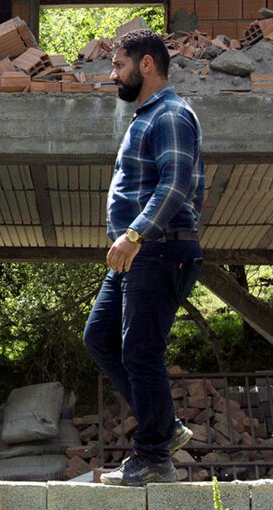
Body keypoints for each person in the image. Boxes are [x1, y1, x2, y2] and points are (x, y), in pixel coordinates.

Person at [86, 28, 206, 486]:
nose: (113, 74)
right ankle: (165, 425)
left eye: (119, 66)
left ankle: (153, 457)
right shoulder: (145, 117)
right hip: (140, 252)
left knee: (141, 350)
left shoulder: (171, 115)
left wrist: (134, 234)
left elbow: (175, 185)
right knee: (100, 337)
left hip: (157, 248)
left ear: (147, 64)